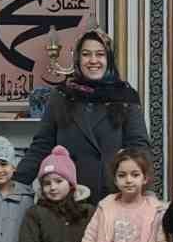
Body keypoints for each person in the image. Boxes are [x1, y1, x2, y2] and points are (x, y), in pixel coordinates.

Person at [16, 29, 151, 203]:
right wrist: (16, 182)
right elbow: (42, 145)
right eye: (86, 54)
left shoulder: (126, 96)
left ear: (109, 59)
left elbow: (139, 149)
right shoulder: (61, 96)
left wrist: (143, 192)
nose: (93, 60)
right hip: (69, 197)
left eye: (100, 54)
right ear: (78, 59)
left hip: (113, 197)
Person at [69, 147, 173, 242]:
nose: (128, 180)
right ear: (115, 180)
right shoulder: (105, 208)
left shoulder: (155, 211)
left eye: (135, 175)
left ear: (145, 178)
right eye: (122, 175)